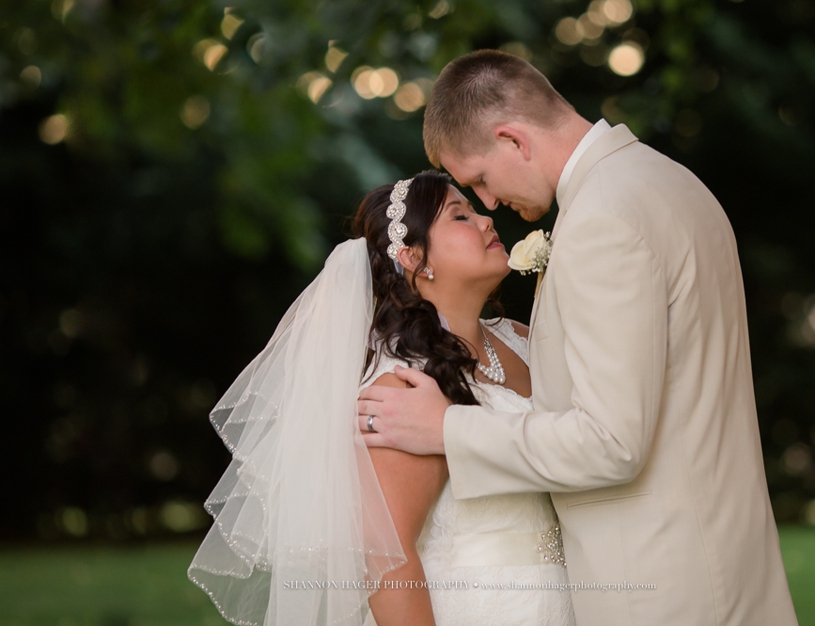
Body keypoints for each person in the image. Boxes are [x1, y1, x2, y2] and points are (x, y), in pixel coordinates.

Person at [357, 50, 799, 625]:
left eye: (481, 181)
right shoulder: (671, 181)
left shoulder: (601, 220)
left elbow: (612, 442)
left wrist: (446, 426)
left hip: (660, 586)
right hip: (725, 560)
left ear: (513, 140)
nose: (490, 207)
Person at [188, 170, 575, 626]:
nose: (487, 219)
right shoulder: (403, 389)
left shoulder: (524, 341)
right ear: (415, 258)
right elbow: (385, 561)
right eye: (461, 216)